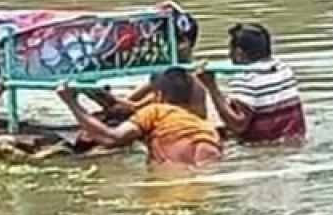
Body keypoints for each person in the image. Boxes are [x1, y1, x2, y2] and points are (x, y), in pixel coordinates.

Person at [56, 67, 222, 166]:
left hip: (172, 176)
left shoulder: (156, 111)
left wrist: (72, 103)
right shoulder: (206, 127)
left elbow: (111, 138)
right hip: (209, 166)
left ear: (159, 96)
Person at [85, 10, 206, 119]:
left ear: (184, 43)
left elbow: (133, 108)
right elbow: (130, 102)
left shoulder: (182, 80)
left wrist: (100, 95)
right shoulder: (167, 72)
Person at [199, 23, 306, 144]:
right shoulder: (284, 69)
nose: (229, 54)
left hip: (263, 146)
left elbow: (238, 125)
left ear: (239, 53)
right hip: (294, 138)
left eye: (230, 49)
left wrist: (211, 87)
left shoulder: (245, 78)